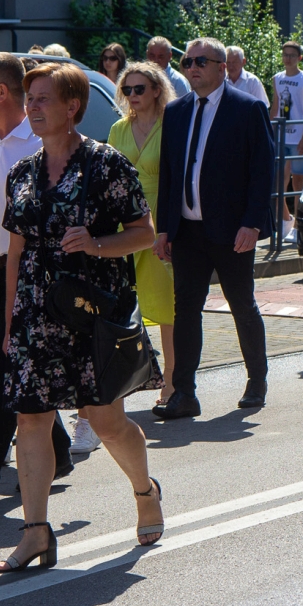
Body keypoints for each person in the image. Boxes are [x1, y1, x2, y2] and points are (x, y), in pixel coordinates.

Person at [0, 63, 165, 571]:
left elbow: (144, 233)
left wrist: (95, 244)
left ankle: (145, 490)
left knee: (106, 421)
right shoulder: (21, 173)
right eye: (29, 99)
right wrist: (9, 322)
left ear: (72, 106)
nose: (32, 108)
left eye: (43, 99)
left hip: (88, 311)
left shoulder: (105, 163)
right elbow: (16, 252)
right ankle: (35, 532)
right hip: (35, 312)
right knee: (31, 417)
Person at [0, 53, 76, 515]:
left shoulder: (38, 142)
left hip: (25, 273)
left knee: (4, 373)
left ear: (1, 92)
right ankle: (58, 450)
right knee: (13, 369)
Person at [152, 37, 274, 418]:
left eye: (200, 61)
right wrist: (163, 228)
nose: (192, 68)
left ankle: (256, 380)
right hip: (187, 232)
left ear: (222, 67)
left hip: (232, 230)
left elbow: (262, 171)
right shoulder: (176, 111)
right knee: (186, 310)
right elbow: (169, 174)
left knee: (242, 304)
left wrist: (252, 224)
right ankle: (184, 393)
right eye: (187, 62)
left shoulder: (248, 108)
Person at [107, 62, 178, 407]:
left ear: (156, 90)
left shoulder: (173, 124)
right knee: (121, 306)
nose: (132, 95)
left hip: (162, 221)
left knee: (168, 308)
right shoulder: (118, 129)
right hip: (125, 225)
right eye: (127, 89)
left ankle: (174, 382)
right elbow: (107, 180)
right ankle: (122, 382)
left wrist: (172, 229)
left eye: (139, 89)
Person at [270, 41, 303, 244]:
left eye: (292, 55)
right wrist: (270, 132)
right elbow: (275, 107)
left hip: (298, 138)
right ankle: (285, 221)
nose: (287, 58)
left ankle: (299, 226)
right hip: (281, 137)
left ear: (299, 58)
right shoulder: (277, 78)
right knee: (279, 182)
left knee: (299, 182)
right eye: (285, 54)